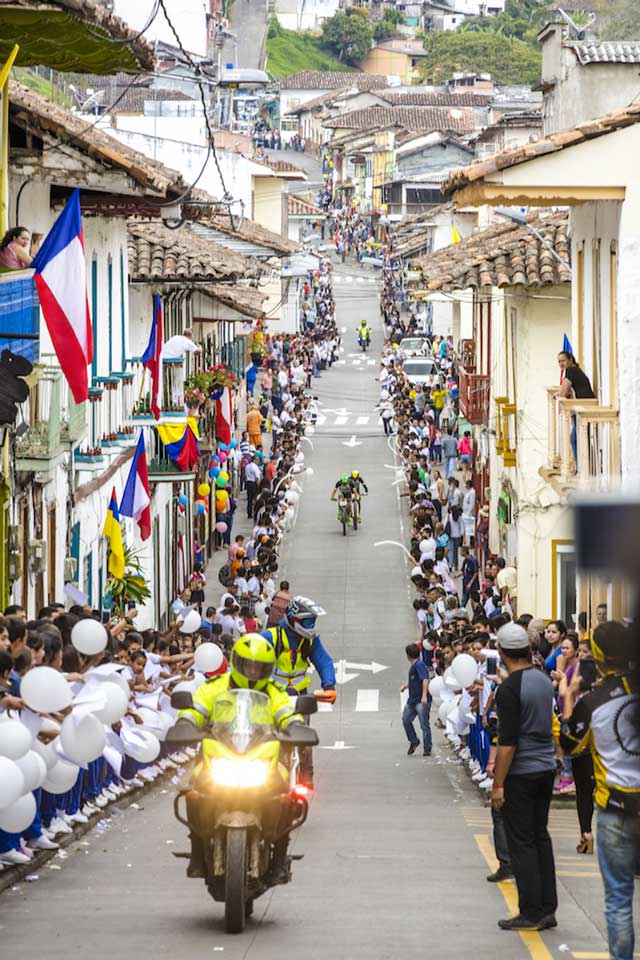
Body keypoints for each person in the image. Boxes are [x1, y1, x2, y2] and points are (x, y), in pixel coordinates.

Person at [173, 633, 305, 879]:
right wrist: (185, 722)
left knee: (288, 795)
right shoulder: (215, 687)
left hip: (260, 755)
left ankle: (278, 860)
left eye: (260, 667)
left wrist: (297, 726)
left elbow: (287, 713)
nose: (253, 672)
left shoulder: (275, 691)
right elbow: (196, 709)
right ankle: (197, 853)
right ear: (237, 663)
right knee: (192, 789)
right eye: (249, 666)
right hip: (222, 753)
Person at [560, 621, 639, 960]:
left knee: (619, 898)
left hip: (617, 808)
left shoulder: (593, 702)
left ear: (601, 658)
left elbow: (570, 745)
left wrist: (567, 699)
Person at [492, 623, 558, 932]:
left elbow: (507, 745)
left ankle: (530, 911)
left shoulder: (508, 689)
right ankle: (547, 907)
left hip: (522, 772)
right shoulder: (543, 679)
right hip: (546, 768)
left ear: (502, 652)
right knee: (540, 836)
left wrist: (498, 784)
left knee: (521, 843)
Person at [262, 596, 336, 785]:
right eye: (308, 622)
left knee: (304, 738)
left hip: (301, 698)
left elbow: (323, 660)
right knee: (265, 736)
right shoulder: (271, 637)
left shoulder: (310, 641)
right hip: (274, 697)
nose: (311, 626)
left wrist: (329, 685)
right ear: (294, 619)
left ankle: (306, 777)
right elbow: (252, 660)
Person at [555, 351, 594, 464]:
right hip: (584, 407)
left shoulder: (570, 370)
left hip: (584, 408)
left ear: (570, 359)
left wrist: (557, 394)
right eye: (559, 362)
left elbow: (563, 391)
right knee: (579, 438)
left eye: (563, 360)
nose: (561, 364)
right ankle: (584, 466)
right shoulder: (575, 370)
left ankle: (582, 467)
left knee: (576, 439)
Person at [401, 642, 432, 756]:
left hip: (420, 699)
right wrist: (406, 685)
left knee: (424, 724)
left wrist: (424, 696)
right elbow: (416, 680)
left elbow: (425, 680)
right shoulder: (416, 665)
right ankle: (414, 740)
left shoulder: (419, 665)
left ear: (408, 656)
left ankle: (427, 747)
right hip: (412, 699)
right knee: (406, 719)